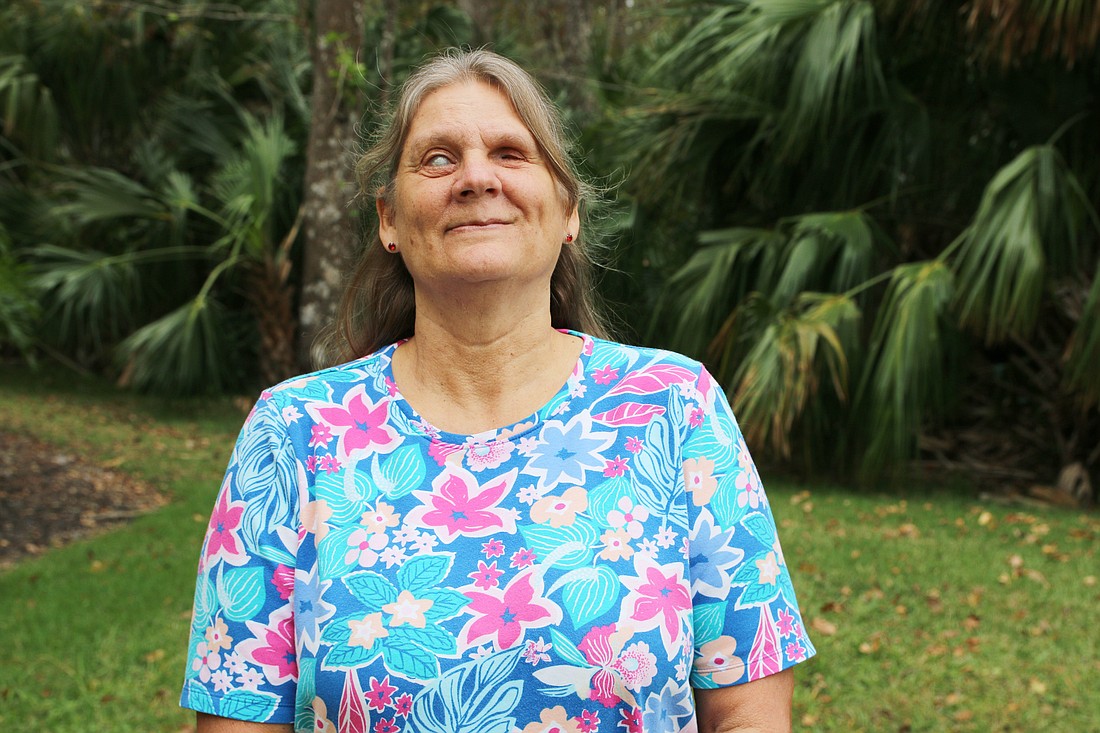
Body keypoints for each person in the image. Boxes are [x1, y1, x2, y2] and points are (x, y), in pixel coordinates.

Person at [181, 48, 815, 733]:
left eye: (511, 153)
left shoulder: (675, 408)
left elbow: (746, 712)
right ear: (389, 218)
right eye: (438, 159)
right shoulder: (293, 433)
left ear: (566, 210)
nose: (476, 177)